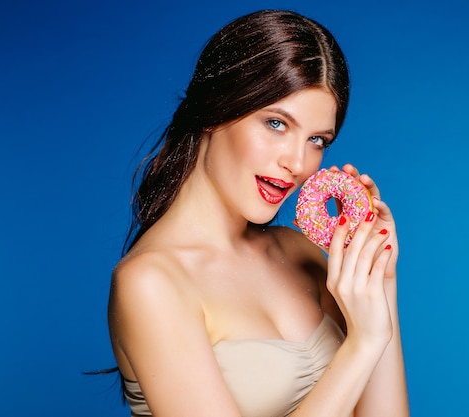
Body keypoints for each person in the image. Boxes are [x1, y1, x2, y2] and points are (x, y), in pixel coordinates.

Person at [107, 9, 409, 417]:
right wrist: (362, 345)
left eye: (317, 139)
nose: (298, 163)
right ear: (216, 110)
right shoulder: (150, 282)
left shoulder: (300, 252)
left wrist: (380, 281)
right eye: (276, 124)